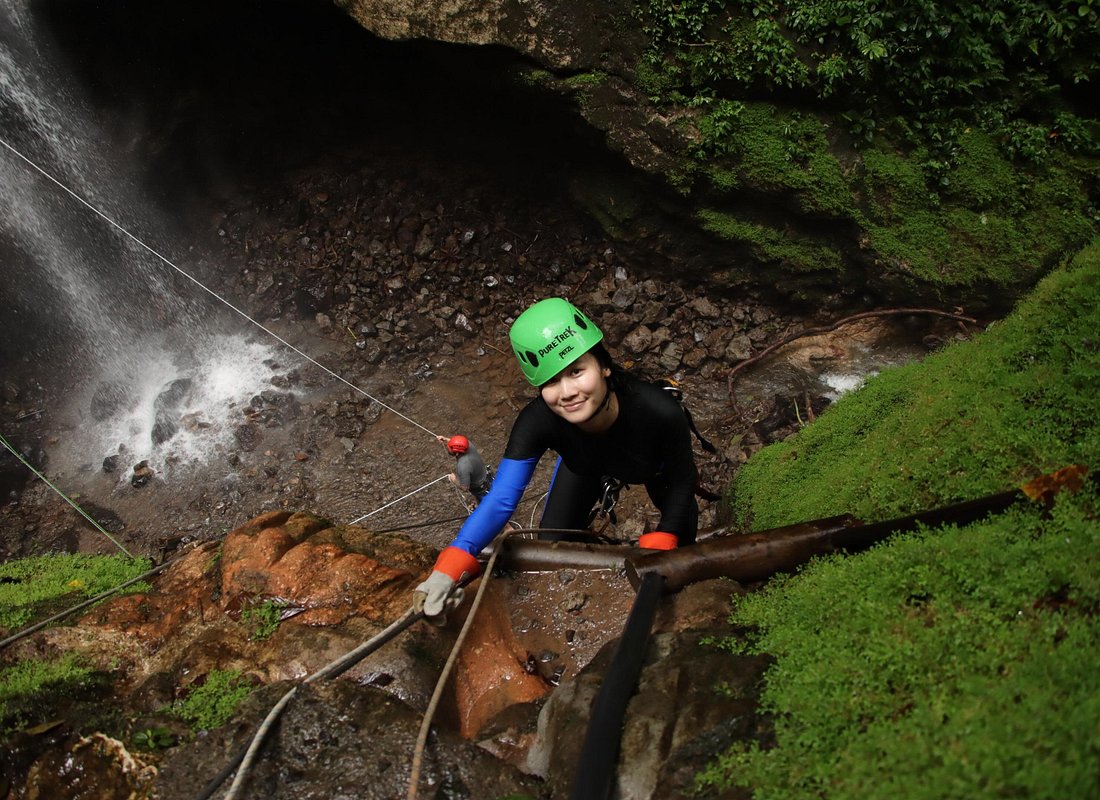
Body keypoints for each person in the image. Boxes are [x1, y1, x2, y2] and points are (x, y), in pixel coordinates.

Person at [413, 297, 701, 618]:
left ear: (604, 367)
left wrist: (665, 538)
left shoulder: (658, 411)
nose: (566, 392)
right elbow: (500, 501)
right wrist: (452, 562)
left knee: (682, 546)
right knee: (550, 547)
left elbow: (683, 478)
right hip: (585, 467)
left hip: (657, 471)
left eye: (577, 371)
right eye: (551, 381)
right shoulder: (537, 421)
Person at [437, 434, 493, 504]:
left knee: (484, 502)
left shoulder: (463, 466)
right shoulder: (468, 445)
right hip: (486, 475)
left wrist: (453, 479)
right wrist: (446, 440)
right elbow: (459, 443)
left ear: (457, 453)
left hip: (480, 488)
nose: (447, 447)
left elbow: (465, 488)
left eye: (449, 447)